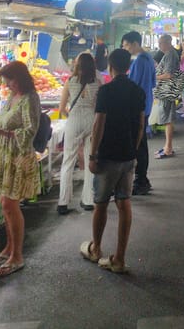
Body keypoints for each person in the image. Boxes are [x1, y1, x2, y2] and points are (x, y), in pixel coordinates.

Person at [80, 48, 145, 274]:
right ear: (128, 66)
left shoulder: (106, 91)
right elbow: (140, 124)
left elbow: (99, 124)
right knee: (124, 202)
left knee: (100, 203)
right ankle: (119, 258)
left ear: (110, 66)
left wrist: (93, 154)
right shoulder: (137, 91)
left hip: (107, 156)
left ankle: (96, 248)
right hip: (128, 156)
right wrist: (133, 149)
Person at [0, 61, 41, 277]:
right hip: (6, 154)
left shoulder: (30, 98)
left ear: (20, 78)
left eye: (10, 80)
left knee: (10, 204)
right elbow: (7, 121)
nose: (7, 85)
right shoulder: (12, 97)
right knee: (4, 203)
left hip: (18, 156)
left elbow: (29, 131)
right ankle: (9, 248)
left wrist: (3, 133)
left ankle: (17, 256)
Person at [57, 52, 101, 214]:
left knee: (68, 160)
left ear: (77, 65)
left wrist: (71, 116)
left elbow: (62, 109)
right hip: (91, 120)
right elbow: (99, 107)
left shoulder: (70, 82)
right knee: (90, 158)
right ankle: (88, 200)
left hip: (74, 120)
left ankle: (63, 202)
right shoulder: (97, 83)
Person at [121, 31, 156, 193]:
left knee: (139, 145)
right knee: (142, 144)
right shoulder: (148, 58)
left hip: (138, 108)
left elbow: (131, 86)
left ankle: (141, 180)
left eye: (127, 45)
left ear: (135, 43)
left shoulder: (139, 62)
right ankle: (142, 179)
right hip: (147, 103)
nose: (126, 49)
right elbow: (153, 82)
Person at [153, 33, 182, 159]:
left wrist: (155, 77)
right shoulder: (169, 54)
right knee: (166, 119)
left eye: (161, 43)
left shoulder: (170, 54)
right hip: (166, 90)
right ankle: (167, 146)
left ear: (168, 43)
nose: (159, 45)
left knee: (168, 119)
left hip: (167, 90)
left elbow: (168, 74)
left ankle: (168, 148)